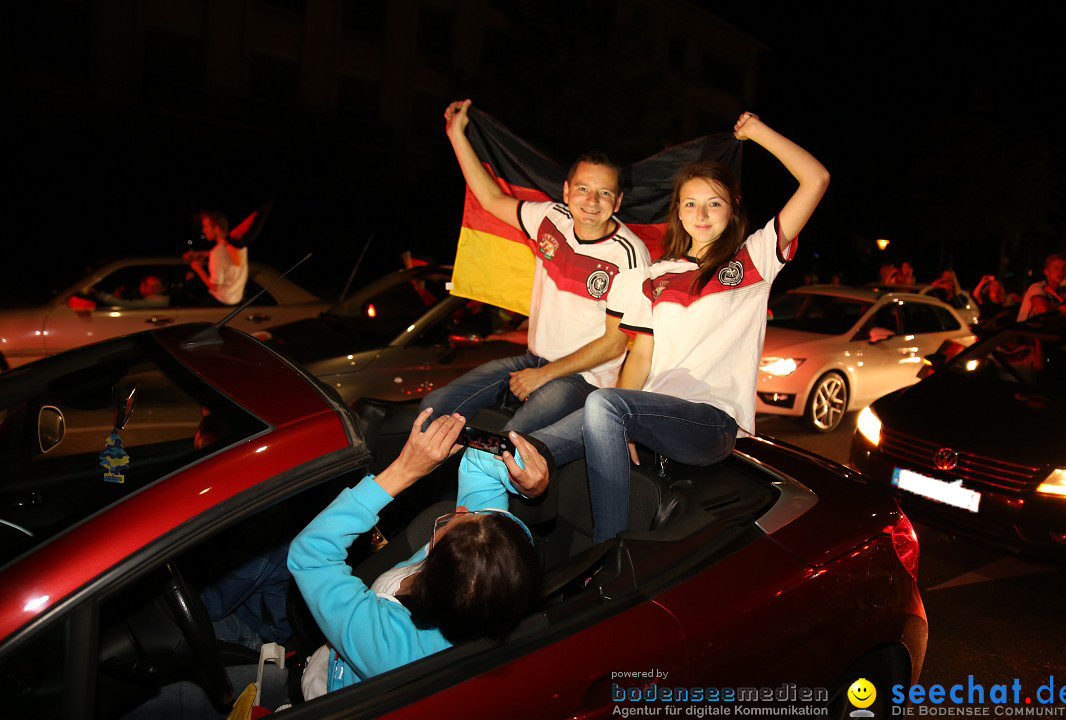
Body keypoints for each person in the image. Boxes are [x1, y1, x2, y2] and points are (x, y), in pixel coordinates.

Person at [527, 112, 829, 542]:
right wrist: (622, 422)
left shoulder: (753, 260)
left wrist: (758, 133)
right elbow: (641, 357)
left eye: (714, 203)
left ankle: (612, 549)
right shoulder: (656, 275)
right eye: (690, 203)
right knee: (524, 449)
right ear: (677, 211)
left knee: (604, 405)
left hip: (712, 423)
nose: (701, 214)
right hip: (650, 413)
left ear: (733, 208)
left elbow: (816, 179)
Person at [419, 99, 651, 433]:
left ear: (617, 202)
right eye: (583, 189)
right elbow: (491, 199)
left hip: (584, 378)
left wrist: (544, 376)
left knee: (513, 436)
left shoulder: (628, 254)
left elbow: (614, 344)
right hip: (534, 358)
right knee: (434, 408)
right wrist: (457, 134)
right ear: (567, 191)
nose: (592, 201)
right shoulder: (549, 218)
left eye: (604, 193)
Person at [288, 409, 547, 697]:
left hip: (327, 687)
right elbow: (480, 463)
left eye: (447, 526)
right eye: (474, 516)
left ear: (433, 571)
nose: (460, 510)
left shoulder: (384, 645)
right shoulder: (503, 555)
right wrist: (528, 483)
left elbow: (310, 552)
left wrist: (404, 470)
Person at [187, 210, 249, 305]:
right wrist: (205, 253)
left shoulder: (217, 252)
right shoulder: (238, 246)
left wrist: (198, 268)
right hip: (238, 299)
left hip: (220, 301)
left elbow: (215, 286)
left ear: (216, 228)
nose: (204, 230)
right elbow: (228, 258)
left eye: (206, 226)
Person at [1018, 253, 1066, 321]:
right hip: (1025, 329)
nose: (1060, 271)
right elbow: (1042, 309)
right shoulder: (1037, 287)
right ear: (1046, 271)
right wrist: (1060, 308)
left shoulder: (1064, 291)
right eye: (1056, 268)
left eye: (1064, 268)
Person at [88, 274, 170, 309]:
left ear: (163, 288)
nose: (149, 288)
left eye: (156, 286)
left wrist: (100, 294)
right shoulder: (154, 298)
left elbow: (127, 304)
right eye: (146, 284)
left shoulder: (158, 301)